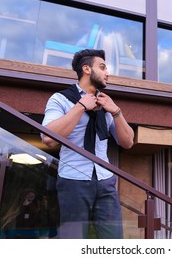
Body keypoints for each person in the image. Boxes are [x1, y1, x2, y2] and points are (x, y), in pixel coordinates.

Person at [41, 49, 134, 239]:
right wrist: (81, 106)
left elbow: (128, 142)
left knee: (114, 241)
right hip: (73, 180)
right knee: (73, 239)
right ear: (86, 69)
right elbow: (48, 139)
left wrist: (116, 111)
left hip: (105, 180)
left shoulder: (107, 105)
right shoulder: (60, 99)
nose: (107, 72)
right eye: (102, 67)